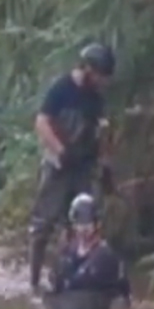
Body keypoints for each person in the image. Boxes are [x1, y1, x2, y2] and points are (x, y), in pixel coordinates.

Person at [28, 42, 116, 295]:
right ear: (88, 69)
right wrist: (60, 150)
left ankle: (71, 280)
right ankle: (33, 282)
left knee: (81, 224)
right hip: (58, 165)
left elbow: (103, 132)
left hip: (83, 167)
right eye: (100, 76)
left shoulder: (96, 98)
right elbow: (42, 122)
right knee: (42, 225)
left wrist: (106, 165)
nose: (102, 81)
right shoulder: (62, 88)